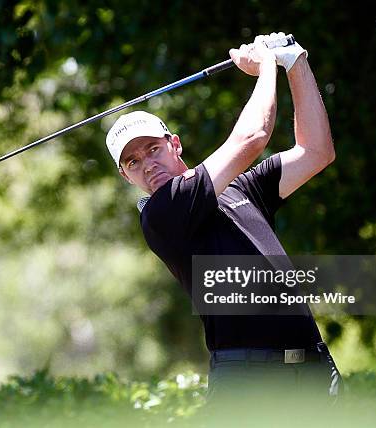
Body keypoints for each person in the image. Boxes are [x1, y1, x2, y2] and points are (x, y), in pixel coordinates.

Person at [105, 33, 342, 406]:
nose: (147, 164)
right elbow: (253, 136)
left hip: (312, 370)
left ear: (175, 144)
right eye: (132, 161)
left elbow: (316, 152)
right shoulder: (162, 213)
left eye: (153, 148)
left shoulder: (239, 189)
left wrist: (295, 62)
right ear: (126, 176)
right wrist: (267, 64)